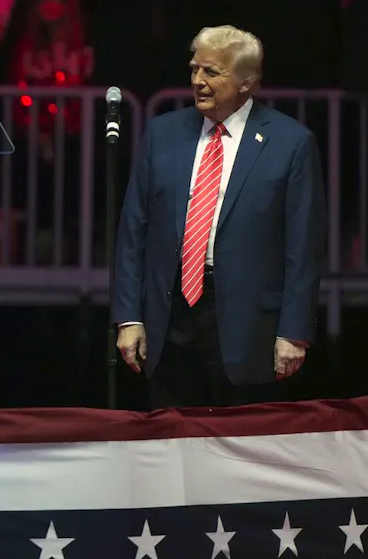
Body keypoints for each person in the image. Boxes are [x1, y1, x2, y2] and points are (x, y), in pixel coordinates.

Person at [112, 25, 326, 409]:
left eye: (212, 72)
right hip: (170, 317)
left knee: (242, 455)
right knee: (172, 447)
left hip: (249, 326)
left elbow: (303, 245)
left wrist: (294, 332)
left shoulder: (291, 143)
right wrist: (128, 317)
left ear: (246, 82)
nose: (198, 81)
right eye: (194, 69)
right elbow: (133, 231)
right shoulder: (162, 133)